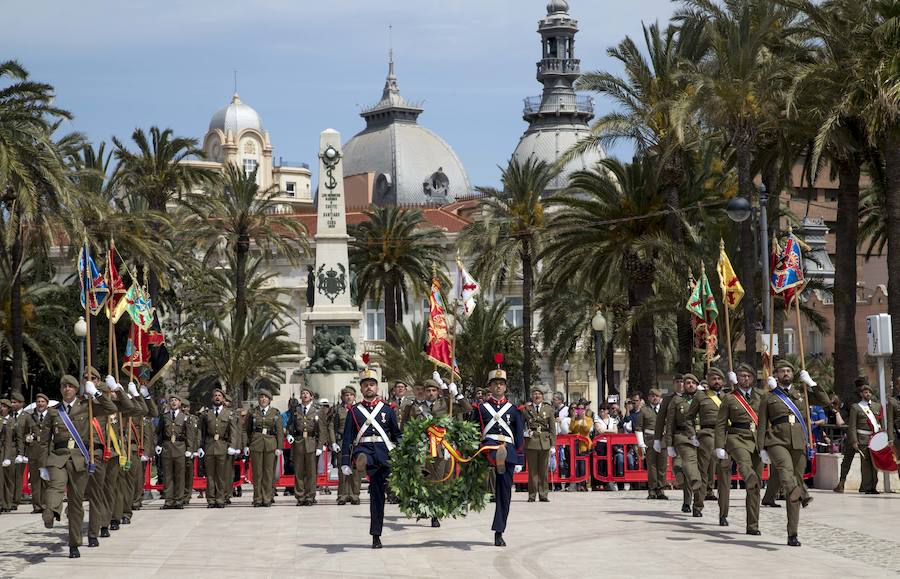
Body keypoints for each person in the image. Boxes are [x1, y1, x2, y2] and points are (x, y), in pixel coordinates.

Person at [41, 374, 117, 558]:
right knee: (56, 486)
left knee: (76, 503)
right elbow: (44, 442)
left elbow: (111, 408)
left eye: (70, 386)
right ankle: (51, 512)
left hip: (79, 460)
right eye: (63, 386)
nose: (66, 389)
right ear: (60, 390)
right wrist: (43, 466)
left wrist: (96, 392)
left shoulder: (87, 407)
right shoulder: (53, 412)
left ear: (76, 389)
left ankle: (74, 543)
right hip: (58, 458)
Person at [757, 359, 830, 547]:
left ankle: (792, 533)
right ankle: (803, 495)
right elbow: (762, 424)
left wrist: (812, 383)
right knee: (787, 475)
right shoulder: (769, 397)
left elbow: (826, 401)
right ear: (776, 374)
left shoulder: (802, 392)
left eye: (789, 370)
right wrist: (761, 448)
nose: (786, 373)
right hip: (777, 440)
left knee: (794, 487)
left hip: (799, 442)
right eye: (782, 371)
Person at [341, 368, 401, 549]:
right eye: (366, 385)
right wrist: (344, 461)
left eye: (372, 384)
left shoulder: (387, 409)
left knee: (384, 495)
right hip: (365, 450)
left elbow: (396, 434)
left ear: (377, 387)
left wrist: (406, 450)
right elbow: (347, 438)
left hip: (385, 454)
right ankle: (376, 535)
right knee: (375, 495)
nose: (369, 387)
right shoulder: (354, 411)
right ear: (361, 389)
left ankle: (378, 532)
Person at [472, 363, 524, 547]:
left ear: (505, 387)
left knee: (504, 495)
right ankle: (496, 459)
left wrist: (519, 459)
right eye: (495, 383)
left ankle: (499, 531)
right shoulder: (481, 408)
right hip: (488, 445)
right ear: (490, 387)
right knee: (492, 451)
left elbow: (519, 436)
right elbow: (472, 430)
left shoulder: (514, 410)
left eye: (501, 383)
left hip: (507, 449)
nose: (498, 386)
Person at [715, 363, 764, 536]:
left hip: (757, 440)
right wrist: (719, 446)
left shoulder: (761, 396)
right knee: (745, 465)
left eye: (748, 376)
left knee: (755, 485)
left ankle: (752, 525)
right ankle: (747, 476)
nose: (745, 378)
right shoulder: (730, 398)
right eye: (742, 376)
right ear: (737, 378)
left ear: (753, 378)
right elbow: (721, 424)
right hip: (737, 437)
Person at [687, 367, 731, 524]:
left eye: (719, 379)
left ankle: (723, 514)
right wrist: (692, 434)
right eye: (713, 379)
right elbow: (689, 417)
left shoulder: (729, 396)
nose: (717, 381)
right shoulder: (701, 396)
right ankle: (698, 505)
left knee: (724, 475)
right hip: (707, 434)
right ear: (708, 380)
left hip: (725, 435)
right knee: (704, 472)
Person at [664, 373, 702, 516]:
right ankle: (687, 501)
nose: (690, 385)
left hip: (701, 437)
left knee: (699, 472)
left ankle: (697, 504)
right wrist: (669, 444)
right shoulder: (677, 401)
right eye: (687, 383)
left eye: (693, 382)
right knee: (687, 468)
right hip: (683, 437)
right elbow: (670, 423)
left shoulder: (704, 398)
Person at [199, 388, 240, 508]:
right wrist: (200, 447)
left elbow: (233, 432)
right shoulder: (207, 414)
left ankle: (221, 499)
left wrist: (233, 446)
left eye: (220, 396)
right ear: (212, 399)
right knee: (210, 475)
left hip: (223, 446)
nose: (217, 397)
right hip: (209, 446)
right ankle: (211, 500)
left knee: (221, 476)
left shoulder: (229, 414)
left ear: (223, 399)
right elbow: (202, 432)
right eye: (215, 395)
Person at [287, 386, 328, 506]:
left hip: (312, 442)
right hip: (299, 442)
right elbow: (291, 425)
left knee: (311, 472)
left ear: (311, 396)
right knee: (299, 472)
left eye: (307, 393)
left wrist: (320, 446)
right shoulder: (296, 410)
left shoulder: (318, 410)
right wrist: (289, 434)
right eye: (303, 393)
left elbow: (322, 430)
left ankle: (310, 496)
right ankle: (300, 496)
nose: (305, 395)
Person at [655, 374, 690, 508]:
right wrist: (658, 439)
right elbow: (660, 419)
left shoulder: (693, 397)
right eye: (678, 381)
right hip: (676, 436)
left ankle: (692, 501)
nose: (681, 384)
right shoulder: (668, 399)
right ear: (674, 383)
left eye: (683, 382)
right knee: (678, 466)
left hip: (693, 436)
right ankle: (686, 498)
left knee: (692, 470)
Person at [246, 389, 284, 507]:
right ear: (258, 399)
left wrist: (280, 447)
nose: (263, 399)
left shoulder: (275, 413)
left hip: (270, 444)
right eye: (261, 397)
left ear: (269, 400)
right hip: (256, 444)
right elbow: (246, 430)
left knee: (268, 473)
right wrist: (246, 445)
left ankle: (267, 498)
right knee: (257, 473)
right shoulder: (252, 412)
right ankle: (257, 498)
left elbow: (279, 431)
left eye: (265, 397)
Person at [156, 394, 194, 510]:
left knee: (180, 475)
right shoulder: (164, 416)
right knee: (168, 475)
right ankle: (168, 501)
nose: (173, 402)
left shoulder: (185, 417)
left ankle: (179, 500)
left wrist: (189, 449)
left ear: (180, 403)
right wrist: (158, 445)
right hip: (167, 447)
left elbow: (189, 435)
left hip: (180, 447)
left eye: (176, 400)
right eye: (171, 400)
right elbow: (160, 432)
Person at [16, 392, 52, 513]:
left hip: (47, 450)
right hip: (34, 450)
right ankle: (37, 505)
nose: (40, 404)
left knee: (47, 479)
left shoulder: (52, 415)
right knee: (35, 480)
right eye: (38, 402)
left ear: (47, 404)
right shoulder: (29, 416)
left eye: (43, 402)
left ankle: (47, 504)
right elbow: (23, 432)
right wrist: (27, 438)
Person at [847, 382, 885, 494]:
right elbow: (852, 425)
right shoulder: (856, 407)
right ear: (861, 394)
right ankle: (866, 487)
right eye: (865, 392)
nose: (867, 394)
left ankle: (874, 486)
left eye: (869, 392)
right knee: (866, 464)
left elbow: (881, 423)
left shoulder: (877, 406)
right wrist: (854, 440)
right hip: (863, 438)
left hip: (876, 438)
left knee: (875, 464)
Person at [522, 384, 556, 502]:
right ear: (532, 396)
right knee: (532, 471)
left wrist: (553, 445)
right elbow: (522, 425)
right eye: (535, 394)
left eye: (539, 394)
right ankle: (532, 495)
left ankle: (543, 495)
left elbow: (552, 428)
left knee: (543, 471)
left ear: (542, 396)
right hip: (531, 441)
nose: (537, 396)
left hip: (544, 441)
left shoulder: (548, 409)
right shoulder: (527, 409)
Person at [332, 386, 361, 505]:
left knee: (355, 470)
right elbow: (331, 426)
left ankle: (354, 495)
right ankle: (342, 495)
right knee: (342, 469)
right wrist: (333, 442)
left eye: (351, 395)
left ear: (355, 396)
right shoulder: (338, 410)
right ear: (342, 397)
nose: (348, 397)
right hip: (342, 441)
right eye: (346, 395)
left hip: (356, 442)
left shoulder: (359, 409)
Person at [636, 388, 666, 499]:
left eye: (657, 396)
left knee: (662, 466)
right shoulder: (644, 410)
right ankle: (652, 490)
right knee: (652, 466)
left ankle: (661, 489)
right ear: (649, 398)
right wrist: (641, 443)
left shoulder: (664, 409)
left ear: (660, 398)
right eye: (652, 396)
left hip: (663, 440)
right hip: (650, 440)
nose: (654, 398)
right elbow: (638, 427)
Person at [833, 381, 861, 493]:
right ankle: (867, 485)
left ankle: (841, 483)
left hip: (852, 431)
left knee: (847, 460)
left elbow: (843, 416)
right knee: (867, 461)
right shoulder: (870, 399)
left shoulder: (849, 398)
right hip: (865, 432)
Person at [568, 401, 592, 492]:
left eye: (582, 409)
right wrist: (574, 418)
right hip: (575, 444)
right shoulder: (574, 419)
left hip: (584, 445)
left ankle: (584, 484)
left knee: (583, 465)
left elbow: (586, 430)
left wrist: (583, 420)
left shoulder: (588, 419)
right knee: (575, 464)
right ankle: (576, 484)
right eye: (578, 409)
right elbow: (571, 429)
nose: (580, 410)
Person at [0, 399, 15, 512]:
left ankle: (8, 503)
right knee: (1, 479)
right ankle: (2, 503)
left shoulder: (12, 421)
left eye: (4, 406)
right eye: (1, 406)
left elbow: (12, 440)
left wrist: (8, 456)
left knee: (8, 479)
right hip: (1, 450)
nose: (2, 408)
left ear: (8, 409)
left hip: (9, 451)